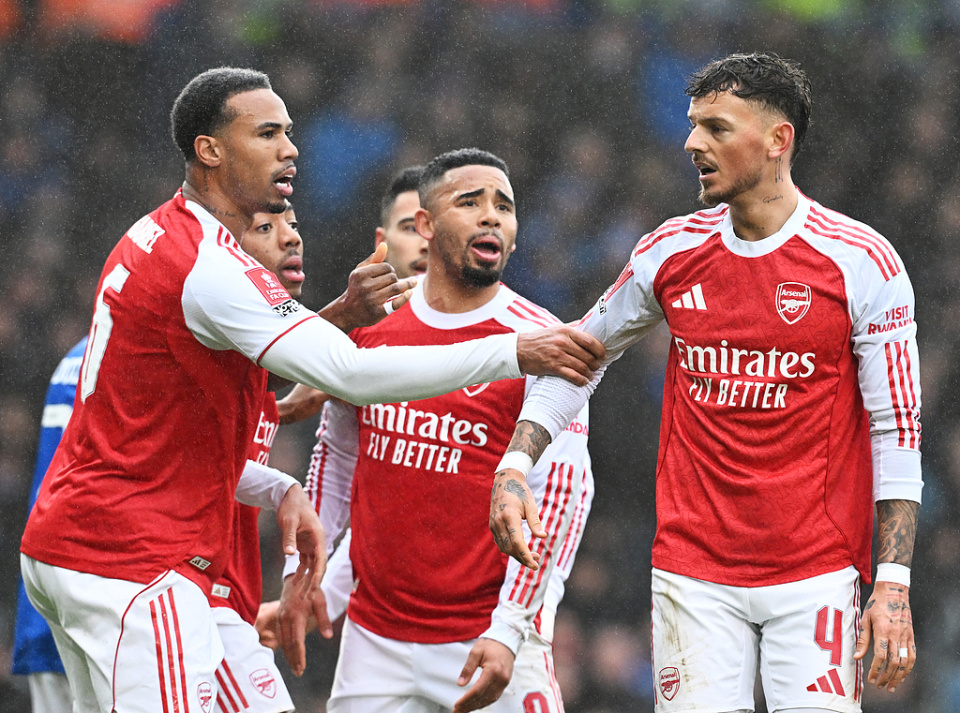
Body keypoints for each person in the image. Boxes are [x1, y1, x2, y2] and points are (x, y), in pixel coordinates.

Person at [19, 67, 604, 713]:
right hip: (135, 559)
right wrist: (514, 353)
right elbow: (346, 374)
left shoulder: (157, 232)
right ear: (210, 150)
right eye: (267, 134)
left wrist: (283, 487)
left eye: (289, 133)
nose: (289, 149)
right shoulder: (212, 266)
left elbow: (210, 400)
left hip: (92, 547)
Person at [490, 52, 922, 713]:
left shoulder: (861, 262)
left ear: (778, 139)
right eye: (694, 125)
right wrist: (517, 462)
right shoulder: (669, 251)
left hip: (815, 572)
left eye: (717, 128)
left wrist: (892, 581)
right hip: (693, 573)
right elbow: (579, 357)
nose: (693, 143)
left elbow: (897, 429)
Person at [258, 164, 595, 713]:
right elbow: (338, 460)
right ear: (426, 225)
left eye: (504, 207)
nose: (491, 216)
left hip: (487, 638)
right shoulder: (368, 331)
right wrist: (303, 579)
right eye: (470, 202)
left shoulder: (543, 341)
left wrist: (511, 628)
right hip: (374, 641)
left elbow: (561, 499)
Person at [10, 206, 372, 713]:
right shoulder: (156, 361)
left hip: (147, 590)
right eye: (264, 228)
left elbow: (197, 450)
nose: (290, 238)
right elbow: (146, 468)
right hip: (137, 590)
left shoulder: (233, 357)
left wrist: (282, 469)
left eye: (293, 226)